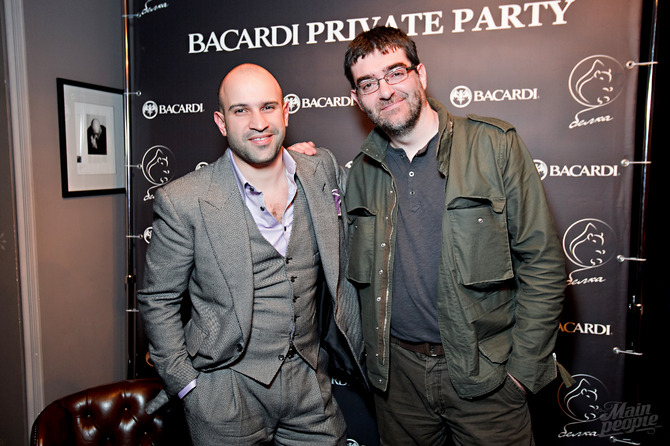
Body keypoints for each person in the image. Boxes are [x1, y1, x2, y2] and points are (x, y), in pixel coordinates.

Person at [295, 26, 567, 445]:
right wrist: (292, 165)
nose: (385, 91)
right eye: (368, 83)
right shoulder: (360, 173)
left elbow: (543, 264)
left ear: (420, 74)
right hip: (397, 384)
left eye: (395, 73)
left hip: (487, 377)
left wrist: (522, 374)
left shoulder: (494, 145)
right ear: (357, 98)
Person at [137, 63, 365, 446]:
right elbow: (158, 299)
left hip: (309, 383)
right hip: (224, 391)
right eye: (241, 110)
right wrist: (187, 385)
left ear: (285, 112)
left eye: (268, 107)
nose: (258, 123)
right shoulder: (183, 200)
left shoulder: (321, 169)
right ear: (221, 122)